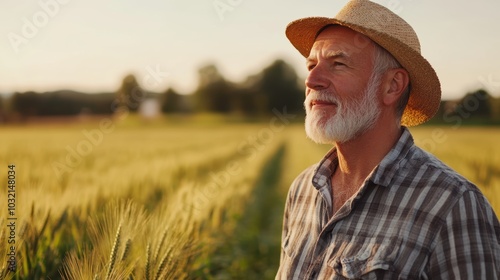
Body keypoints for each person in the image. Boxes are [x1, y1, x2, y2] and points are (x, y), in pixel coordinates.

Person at [276, 0, 500, 279]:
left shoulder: (452, 205)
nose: (312, 80)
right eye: (311, 65)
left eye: (338, 64)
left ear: (392, 86)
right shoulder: (302, 191)